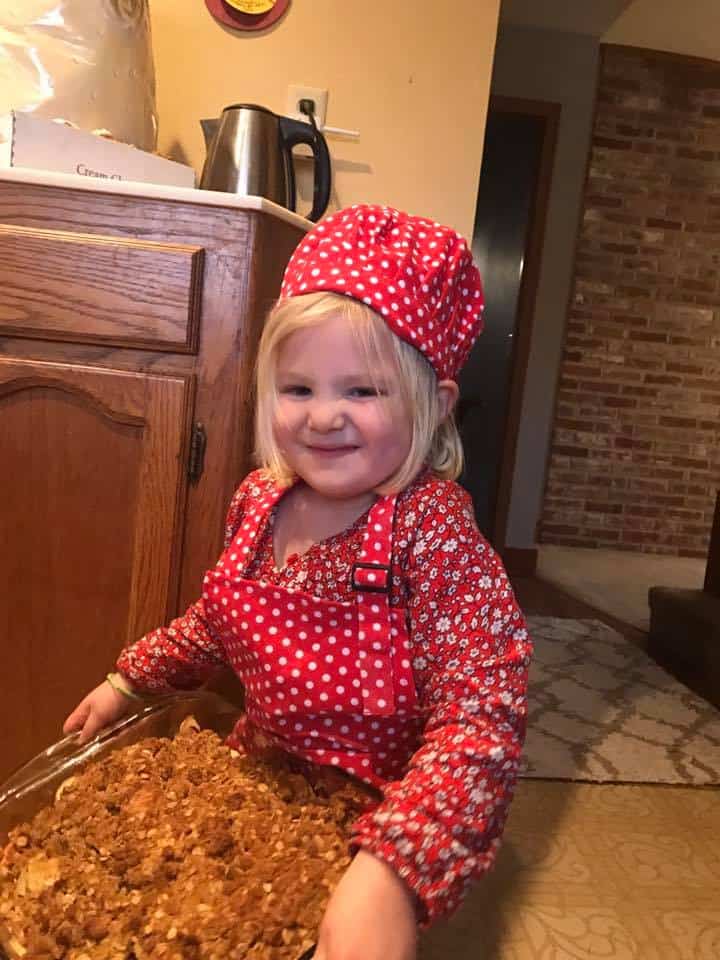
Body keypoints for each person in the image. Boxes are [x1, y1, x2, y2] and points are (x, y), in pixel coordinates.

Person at [64, 204, 532, 960]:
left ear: (434, 405)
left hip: (381, 819)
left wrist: (390, 871)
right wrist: (130, 680)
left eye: (363, 391)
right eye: (298, 389)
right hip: (257, 777)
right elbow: (215, 621)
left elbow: (482, 720)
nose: (324, 418)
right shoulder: (259, 503)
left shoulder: (432, 532)